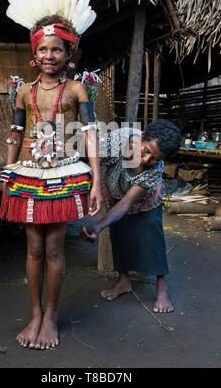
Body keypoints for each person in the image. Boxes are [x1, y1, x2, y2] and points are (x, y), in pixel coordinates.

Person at [0, 0, 103, 351]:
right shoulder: (23, 91)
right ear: (34, 53)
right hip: (28, 174)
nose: (48, 55)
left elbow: (90, 134)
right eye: (42, 49)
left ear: (68, 54)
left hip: (63, 172)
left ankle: (52, 315)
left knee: (56, 248)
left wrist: (96, 181)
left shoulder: (77, 90)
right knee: (33, 249)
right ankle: (35, 314)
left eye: (56, 50)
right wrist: (8, 171)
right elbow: (14, 132)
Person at [81, 120, 182, 313]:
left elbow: (127, 203)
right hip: (116, 192)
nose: (146, 160)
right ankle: (123, 282)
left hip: (145, 202)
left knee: (153, 241)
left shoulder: (154, 171)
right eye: (146, 151)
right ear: (142, 136)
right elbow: (95, 157)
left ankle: (162, 289)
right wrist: (99, 186)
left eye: (154, 158)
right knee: (120, 236)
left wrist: (98, 226)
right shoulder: (118, 139)